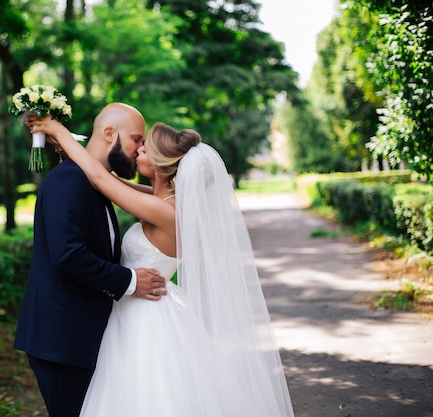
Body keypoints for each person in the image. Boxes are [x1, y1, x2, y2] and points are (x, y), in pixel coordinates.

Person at [29, 117, 295, 417]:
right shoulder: (164, 201)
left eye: (145, 147)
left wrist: (59, 130)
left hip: (145, 315)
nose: (139, 150)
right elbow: (106, 179)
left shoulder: (164, 211)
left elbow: (101, 180)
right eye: (138, 142)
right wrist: (66, 146)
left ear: (159, 165)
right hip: (140, 308)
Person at [13, 103, 169, 417]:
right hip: (61, 342)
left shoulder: (97, 182)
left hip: (83, 336)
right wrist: (131, 280)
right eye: (136, 139)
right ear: (109, 133)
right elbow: (68, 254)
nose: (140, 149)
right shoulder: (70, 181)